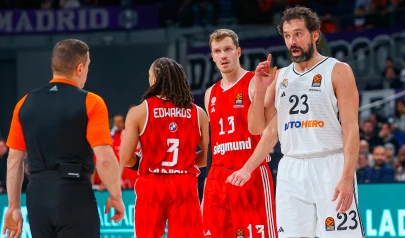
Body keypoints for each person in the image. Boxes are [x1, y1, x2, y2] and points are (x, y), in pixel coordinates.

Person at [229, 7, 365, 238]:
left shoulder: (338, 70)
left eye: (298, 34)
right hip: (292, 168)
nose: (292, 41)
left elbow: (351, 128)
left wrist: (346, 177)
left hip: (329, 164)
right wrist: (260, 90)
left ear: (314, 35)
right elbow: (261, 129)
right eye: (287, 35)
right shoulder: (281, 76)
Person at [2, 39, 124, 238]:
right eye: (88, 67)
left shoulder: (24, 103)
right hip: (74, 194)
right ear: (80, 68)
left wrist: (13, 206)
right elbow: (104, 158)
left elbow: (14, 161)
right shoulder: (91, 102)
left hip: (37, 197)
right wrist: (116, 196)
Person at [119, 57, 209, 238]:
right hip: (184, 184)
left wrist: (144, 164)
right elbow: (208, 157)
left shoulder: (139, 111)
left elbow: (126, 157)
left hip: (152, 182)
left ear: (154, 80)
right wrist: (183, 163)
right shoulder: (197, 112)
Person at [202, 29, 277, 238]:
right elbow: (212, 146)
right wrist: (208, 186)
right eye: (218, 51)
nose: (223, 55)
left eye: (227, 49)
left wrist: (261, 91)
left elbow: (260, 130)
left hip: (249, 171)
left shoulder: (256, 81)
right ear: (213, 56)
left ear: (238, 51)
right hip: (218, 178)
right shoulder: (210, 94)